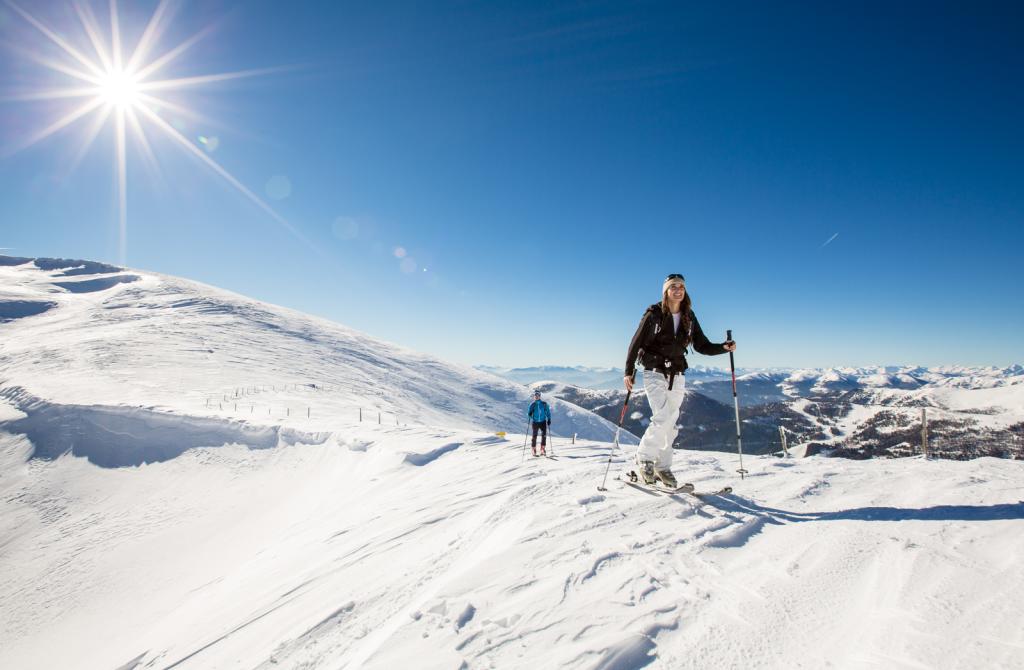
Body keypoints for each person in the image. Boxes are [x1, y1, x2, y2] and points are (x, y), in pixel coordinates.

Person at [623, 273, 736, 487]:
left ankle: (663, 467)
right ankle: (644, 458)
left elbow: (702, 345)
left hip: (678, 373)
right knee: (663, 417)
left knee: (671, 422)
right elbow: (635, 342)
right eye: (673, 286)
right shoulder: (654, 314)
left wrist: (723, 348)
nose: (678, 290)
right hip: (654, 371)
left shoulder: (688, 317)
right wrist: (628, 371)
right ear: (666, 291)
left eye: (681, 287)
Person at [527, 390, 552, 456]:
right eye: (535, 395)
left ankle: (542, 449)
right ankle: (533, 449)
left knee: (544, 435)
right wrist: (530, 414)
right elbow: (529, 413)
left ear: (539, 396)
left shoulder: (544, 404)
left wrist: (549, 419)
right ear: (534, 397)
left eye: (538, 395)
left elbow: (548, 412)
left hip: (543, 422)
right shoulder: (532, 404)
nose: (536, 397)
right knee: (534, 436)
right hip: (535, 422)